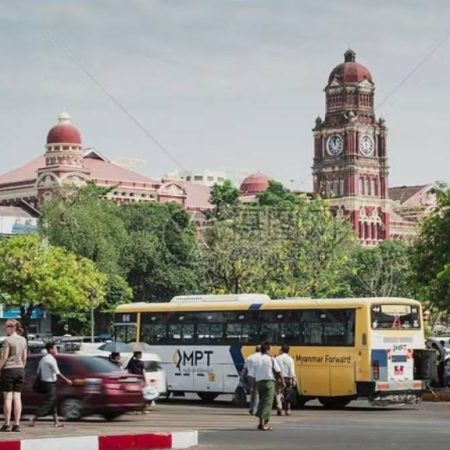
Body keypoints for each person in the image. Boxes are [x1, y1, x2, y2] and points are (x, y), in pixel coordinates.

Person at [29, 342, 72, 428]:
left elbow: (38, 372)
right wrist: (67, 380)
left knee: (53, 403)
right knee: (49, 402)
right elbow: (57, 373)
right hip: (49, 383)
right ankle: (34, 417)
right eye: (55, 348)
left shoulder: (43, 359)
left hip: (45, 383)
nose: (57, 350)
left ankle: (56, 422)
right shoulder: (51, 359)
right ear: (51, 349)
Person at [0, 320, 27, 432]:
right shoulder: (23, 340)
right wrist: (21, 367)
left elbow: (4, 358)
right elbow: (24, 357)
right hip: (20, 370)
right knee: (17, 397)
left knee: (8, 398)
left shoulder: (7, 341)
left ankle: (7, 424)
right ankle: (16, 424)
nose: (5, 329)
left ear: (12, 328)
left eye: (6, 327)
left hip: (8, 370)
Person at [251, 342, 283, 431]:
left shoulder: (257, 360)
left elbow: (253, 375)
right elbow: (278, 371)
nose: (271, 351)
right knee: (268, 404)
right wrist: (282, 382)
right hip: (269, 383)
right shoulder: (271, 359)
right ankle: (265, 424)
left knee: (262, 402)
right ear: (268, 350)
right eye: (271, 349)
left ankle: (260, 423)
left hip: (259, 383)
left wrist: (253, 387)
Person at [275, 345, 297, 416]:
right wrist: (294, 379)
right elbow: (292, 370)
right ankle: (287, 410)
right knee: (288, 394)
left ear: (282, 350)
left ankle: (279, 406)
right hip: (288, 378)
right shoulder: (290, 359)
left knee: (279, 393)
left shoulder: (277, 358)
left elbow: (275, 369)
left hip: (279, 378)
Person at [241, 345, 261, 415]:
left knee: (253, 392)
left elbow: (245, 369)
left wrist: (241, 376)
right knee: (257, 393)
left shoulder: (249, 357)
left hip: (250, 377)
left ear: (255, 350)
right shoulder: (262, 357)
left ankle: (251, 408)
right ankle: (255, 409)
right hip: (258, 376)